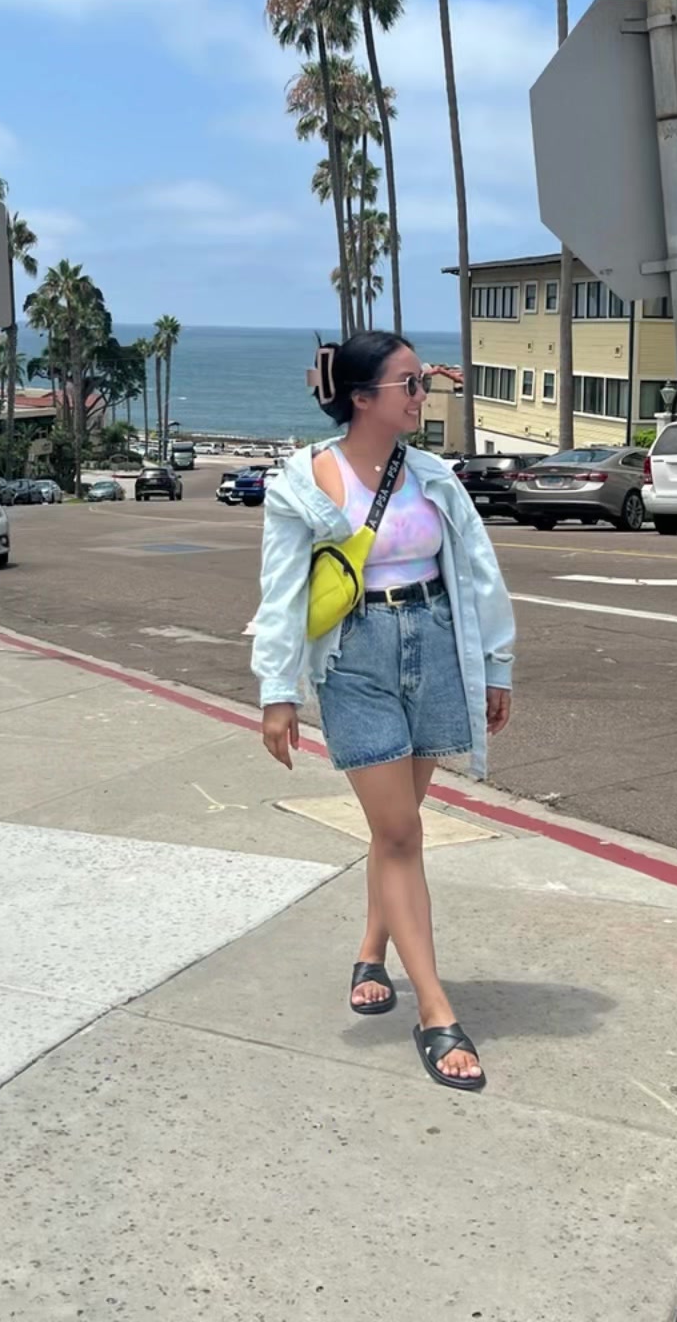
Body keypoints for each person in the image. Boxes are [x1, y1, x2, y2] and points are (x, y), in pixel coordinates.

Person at [250, 330, 515, 1092]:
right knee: (400, 831)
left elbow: (479, 571)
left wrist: (496, 663)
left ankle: (372, 949)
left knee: (396, 826)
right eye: (410, 383)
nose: (424, 395)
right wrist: (277, 692)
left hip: (434, 644)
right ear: (363, 398)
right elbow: (281, 590)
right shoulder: (305, 482)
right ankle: (435, 1011)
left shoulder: (432, 476)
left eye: (422, 381)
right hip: (355, 658)